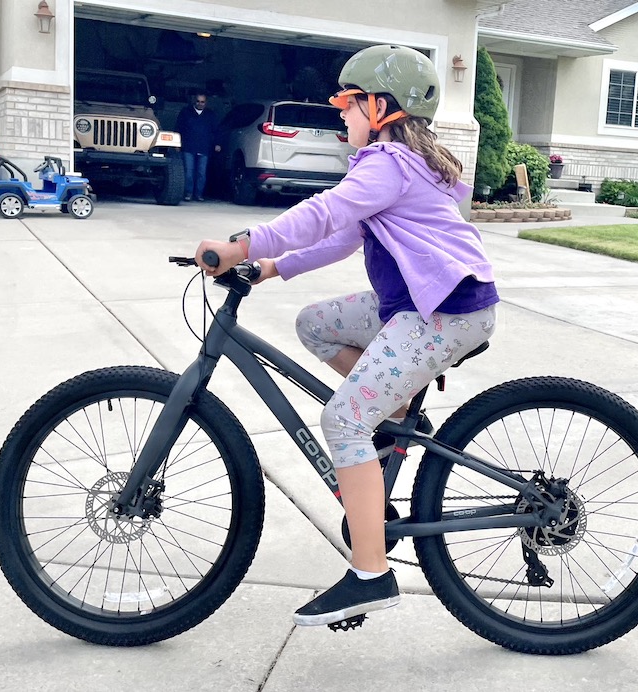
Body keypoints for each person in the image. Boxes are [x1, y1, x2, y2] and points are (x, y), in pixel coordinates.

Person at [195, 45, 498, 626]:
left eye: (346, 101)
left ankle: (371, 575)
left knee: (344, 420)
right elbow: (342, 237)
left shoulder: (387, 163)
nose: (338, 112)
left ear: (379, 106)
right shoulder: (394, 164)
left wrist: (242, 243)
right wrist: (269, 268)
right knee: (315, 323)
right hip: (414, 303)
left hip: (443, 314)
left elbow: (323, 215)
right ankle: (399, 402)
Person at [176, 93, 221, 201]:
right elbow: (178, 128)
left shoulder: (210, 115)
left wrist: (218, 143)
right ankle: (188, 193)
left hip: (204, 148)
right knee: (189, 172)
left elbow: (216, 131)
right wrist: (177, 144)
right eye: (198, 101)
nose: (200, 104)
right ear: (194, 101)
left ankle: (199, 194)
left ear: (206, 103)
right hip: (188, 147)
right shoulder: (185, 112)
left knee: (201, 173)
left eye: (202, 102)